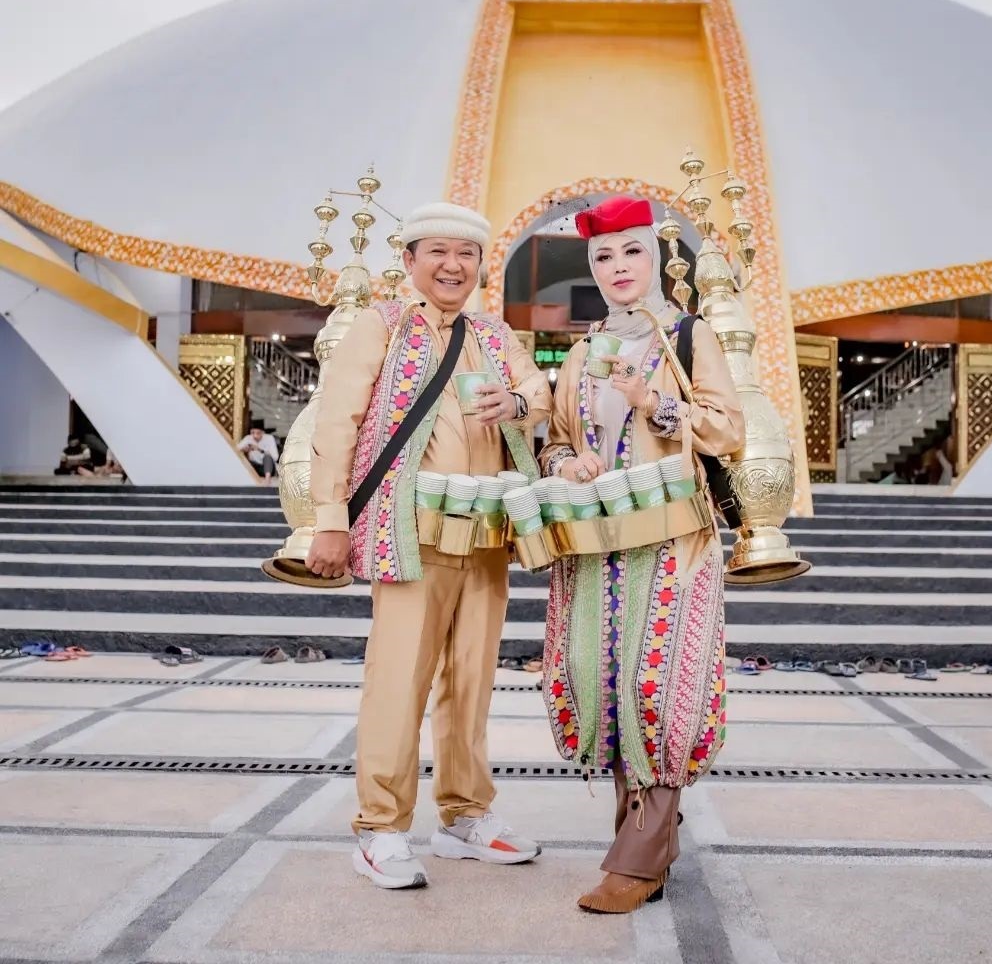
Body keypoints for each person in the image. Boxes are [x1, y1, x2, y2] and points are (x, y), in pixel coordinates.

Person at [306, 202, 553, 890]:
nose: (453, 266)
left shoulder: (493, 332)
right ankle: (380, 828)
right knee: (399, 678)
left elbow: (537, 389)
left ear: (480, 265)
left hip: (485, 529)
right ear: (411, 261)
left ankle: (464, 817)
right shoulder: (380, 324)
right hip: (407, 530)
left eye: (467, 254)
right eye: (438, 252)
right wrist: (328, 517)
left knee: (471, 680)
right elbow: (339, 417)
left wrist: (519, 403)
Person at [540, 195, 745, 913]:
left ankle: (639, 856)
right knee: (599, 678)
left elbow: (725, 428)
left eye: (631, 252)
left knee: (658, 684)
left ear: (654, 259)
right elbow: (559, 438)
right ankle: (643, 835)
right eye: (603, 256)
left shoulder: (690, 336)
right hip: (595, 546)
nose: (618, 268)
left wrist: (654, 398)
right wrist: (566, 464)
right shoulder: (578, 351)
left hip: (671, 540)